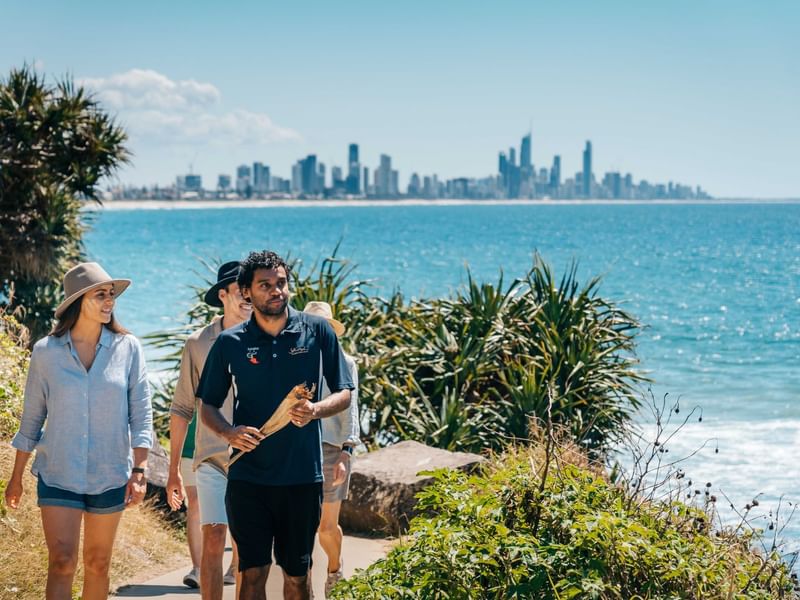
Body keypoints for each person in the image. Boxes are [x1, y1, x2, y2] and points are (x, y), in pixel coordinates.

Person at [199, 251, 354, 600]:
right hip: (247, 479)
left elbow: (345, 392)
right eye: (265, 285)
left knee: (298, 576)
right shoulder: (230, 343)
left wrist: (316, 409)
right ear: (246, 293)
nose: (276, 291)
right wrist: (228, 432)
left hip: (301, 478)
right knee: (251, 573)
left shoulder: (316, 332)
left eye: (281, 283)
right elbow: (206, 405)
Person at [4, 262, 152, 600]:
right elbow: (31, 418)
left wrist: (139, 471)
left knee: (98, 563)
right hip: (59, 473)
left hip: (110, 473)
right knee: (62, 562)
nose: (109, 301)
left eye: (111, 295)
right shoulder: (46, 352)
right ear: (78, 301)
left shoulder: (128, 349)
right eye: (100, 295)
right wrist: (15, 476)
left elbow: (141, 416)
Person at [166, 261, 250, 598]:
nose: (247, 295)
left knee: (247, 545)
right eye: (239, 289)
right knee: (214, 536)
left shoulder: (269, 337)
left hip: (255, 458)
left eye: (250, 287)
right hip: (211, 457)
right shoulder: (198, 343)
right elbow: (182, 407)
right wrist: (172, 470)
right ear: (222, 295)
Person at [302, 302, 360, 598]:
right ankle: (304, 587)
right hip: (299, 449)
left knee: (326, 527)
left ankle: (335, 570)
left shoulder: (345, 362)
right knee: (300, 527)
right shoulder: (295, 360)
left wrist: (347, 452)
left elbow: (352, 411)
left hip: (333, 448)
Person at [175, 413, 202, 587]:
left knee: (230, 508)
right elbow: (178, 413)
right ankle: (198, 569)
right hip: (190, 449)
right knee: (195, 503)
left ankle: (235, 567)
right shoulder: (186, 383)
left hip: (226, 449)